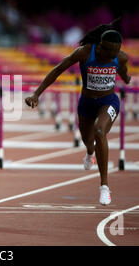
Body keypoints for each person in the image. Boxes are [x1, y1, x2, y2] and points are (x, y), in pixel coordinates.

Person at [25, 20, 131, 205]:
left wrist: (126, 77)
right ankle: (90, 152)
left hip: (108, 101)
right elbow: (58, 70)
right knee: (87, 140)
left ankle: (104, 186)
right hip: (87, 103)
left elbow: (122, 70)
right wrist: (36, 94)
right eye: (107, 52)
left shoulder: (120, 57)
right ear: (100, 46)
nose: (110, 57)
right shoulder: (84, 52)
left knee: (100, 131)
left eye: (114, 54)